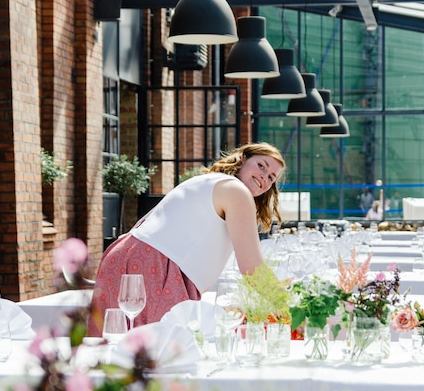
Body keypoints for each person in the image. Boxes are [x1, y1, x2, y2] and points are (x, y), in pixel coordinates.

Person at [87, 142, 286, 336]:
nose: (264, 177)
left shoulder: (209, 181)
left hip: (127, 256)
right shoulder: (237, 191)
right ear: (243, 159)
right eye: (261, 165)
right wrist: (288, 305)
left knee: (115, 354)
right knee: (156, 358)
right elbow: (252, 267)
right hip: (152, 268)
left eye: (271, 177)